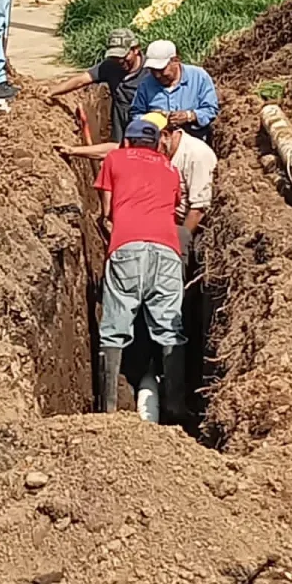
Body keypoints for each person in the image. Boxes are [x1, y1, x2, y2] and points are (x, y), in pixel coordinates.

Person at [94, 117, 187, 422]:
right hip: (167, 251)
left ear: (128, 141)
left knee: (115, 327)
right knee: (169, 328)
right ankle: (173, 405)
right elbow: (172, 207)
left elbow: (106, 213)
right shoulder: (171, 169)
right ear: (156, 142)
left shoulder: (115, 158)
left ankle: (107, 408)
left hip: (127, 247)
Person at [60, 110, 217, 264]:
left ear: (165, 135)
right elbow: (115, 150)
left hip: (189, 227)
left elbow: (198, 210)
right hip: (156, 222)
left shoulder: (197, 155)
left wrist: (179, 245)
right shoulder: (156, 147)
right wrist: (73, 150)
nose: (145, 150)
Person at [49, 28, 148, 142]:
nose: (119, 61)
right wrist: (52, 91)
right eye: (115, 57)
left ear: (136, 49)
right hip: (120, 136)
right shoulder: (111, 66)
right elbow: (81, 80)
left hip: (145, 135)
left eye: (124, 56)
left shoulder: (151, 71)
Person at [131, 41, 219, 142]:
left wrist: (189, 116)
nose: (157, 75)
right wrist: (152, 119)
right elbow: (136, 114)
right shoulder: (145, 84)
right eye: (153, 70)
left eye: (161, 69)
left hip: (193, 141)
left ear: (176, 60)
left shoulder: (199, 77)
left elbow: (211, 110)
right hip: (159, 143)